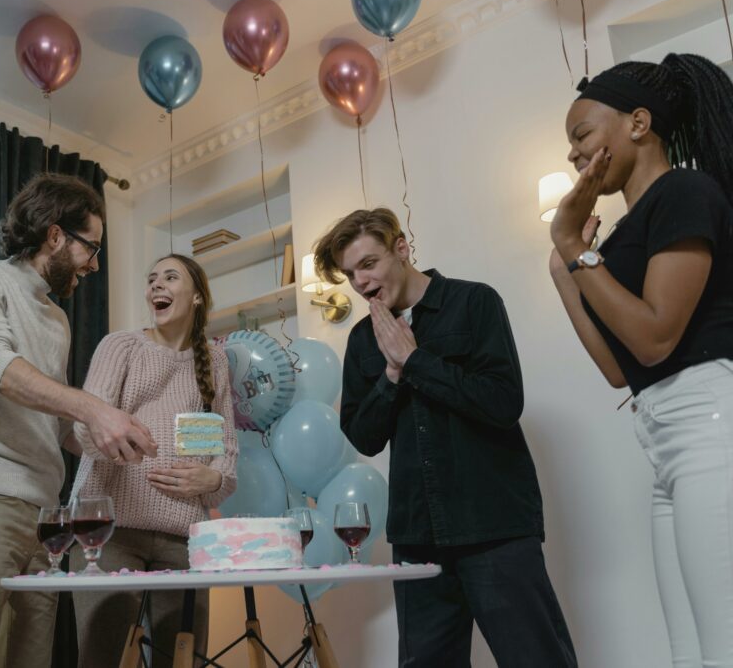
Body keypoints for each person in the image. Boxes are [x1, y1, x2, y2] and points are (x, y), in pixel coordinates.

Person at [314, 208, 577, 667]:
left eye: (369, 264)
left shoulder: (475, 303)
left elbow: (502, 402)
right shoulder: (361, 341)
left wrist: (415, 361)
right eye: (351, 273)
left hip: (495, 526)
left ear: (401, 248)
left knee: (536, 659)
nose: (360, 283)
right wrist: (392, 374)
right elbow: (363, 435)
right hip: (418, 539)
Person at [0, 172, 157, 668]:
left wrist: (111, 440)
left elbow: (56, 422)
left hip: (48, 520)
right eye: (90, 248)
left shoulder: (58, 318)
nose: (93, 265)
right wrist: (94, 408)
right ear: (54, 235)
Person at [549, 52, 733, 668]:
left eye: (581, 135)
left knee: (723, 643)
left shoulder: (684, 191)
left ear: (637, 122)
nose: (573, 155)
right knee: (689, 651)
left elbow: (655, 337)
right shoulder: (621, 234)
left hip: (712, 427)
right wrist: (564, 266)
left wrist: (577, 247)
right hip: (664, 440)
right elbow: (619, 369)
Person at [68, 254, 238, 667]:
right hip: (107, 535)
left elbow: (224, 456)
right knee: (102, 660)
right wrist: (113, 438)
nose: (156, 286)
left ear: (197, 297)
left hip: (184, 540)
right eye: (151, 279)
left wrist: (210, 480)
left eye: (170, 277)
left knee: (183, 661)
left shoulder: (213, 361)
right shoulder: (122, 346)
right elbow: (84, 429)